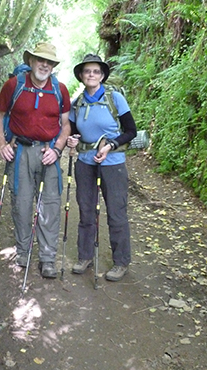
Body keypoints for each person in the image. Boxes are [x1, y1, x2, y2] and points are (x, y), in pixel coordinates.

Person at [0, 42, 71, 279]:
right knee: (22, 204)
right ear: (31, 61)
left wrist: (57, 149)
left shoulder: (60, 90)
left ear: (53, 66)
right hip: (20, 153)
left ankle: (47, 259)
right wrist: (1, 145)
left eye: (49, 62)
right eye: (40, 60)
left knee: (50, 207)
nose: (44, 65)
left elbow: (66, 125)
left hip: (49, 153)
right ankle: (23, 252)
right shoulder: (14, 85)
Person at [66, 54, 136, 282]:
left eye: (96, 71)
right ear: (81, 76)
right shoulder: (77, 102)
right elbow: (74, 130)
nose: (92, 75)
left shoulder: (115, 99)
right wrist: (73, 140)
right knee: (86, 210)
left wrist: (111, 145)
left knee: (116, 212)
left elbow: (131, 130)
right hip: (85, 163)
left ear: (103, 75)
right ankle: (85, 256)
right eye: (87, 72)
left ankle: (121, 262)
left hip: (112, 163)